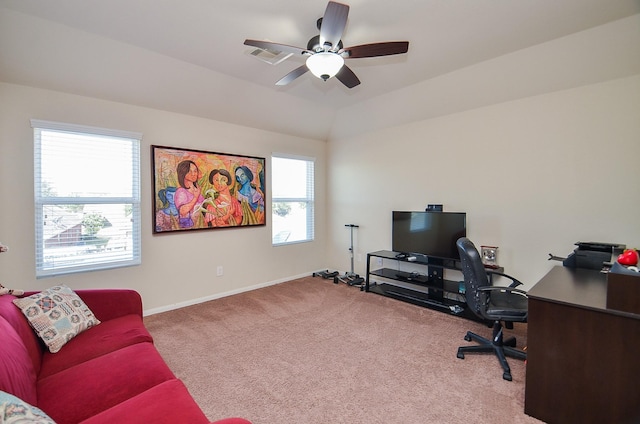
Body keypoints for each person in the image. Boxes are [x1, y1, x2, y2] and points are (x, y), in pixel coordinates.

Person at [174, 160, 204, 229]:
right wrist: (195, 197)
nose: (193, 174)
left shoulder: (197, 190)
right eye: (190, 171)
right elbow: (183, 211)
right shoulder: (181, 191)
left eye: (195, 171)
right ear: (183, 173)